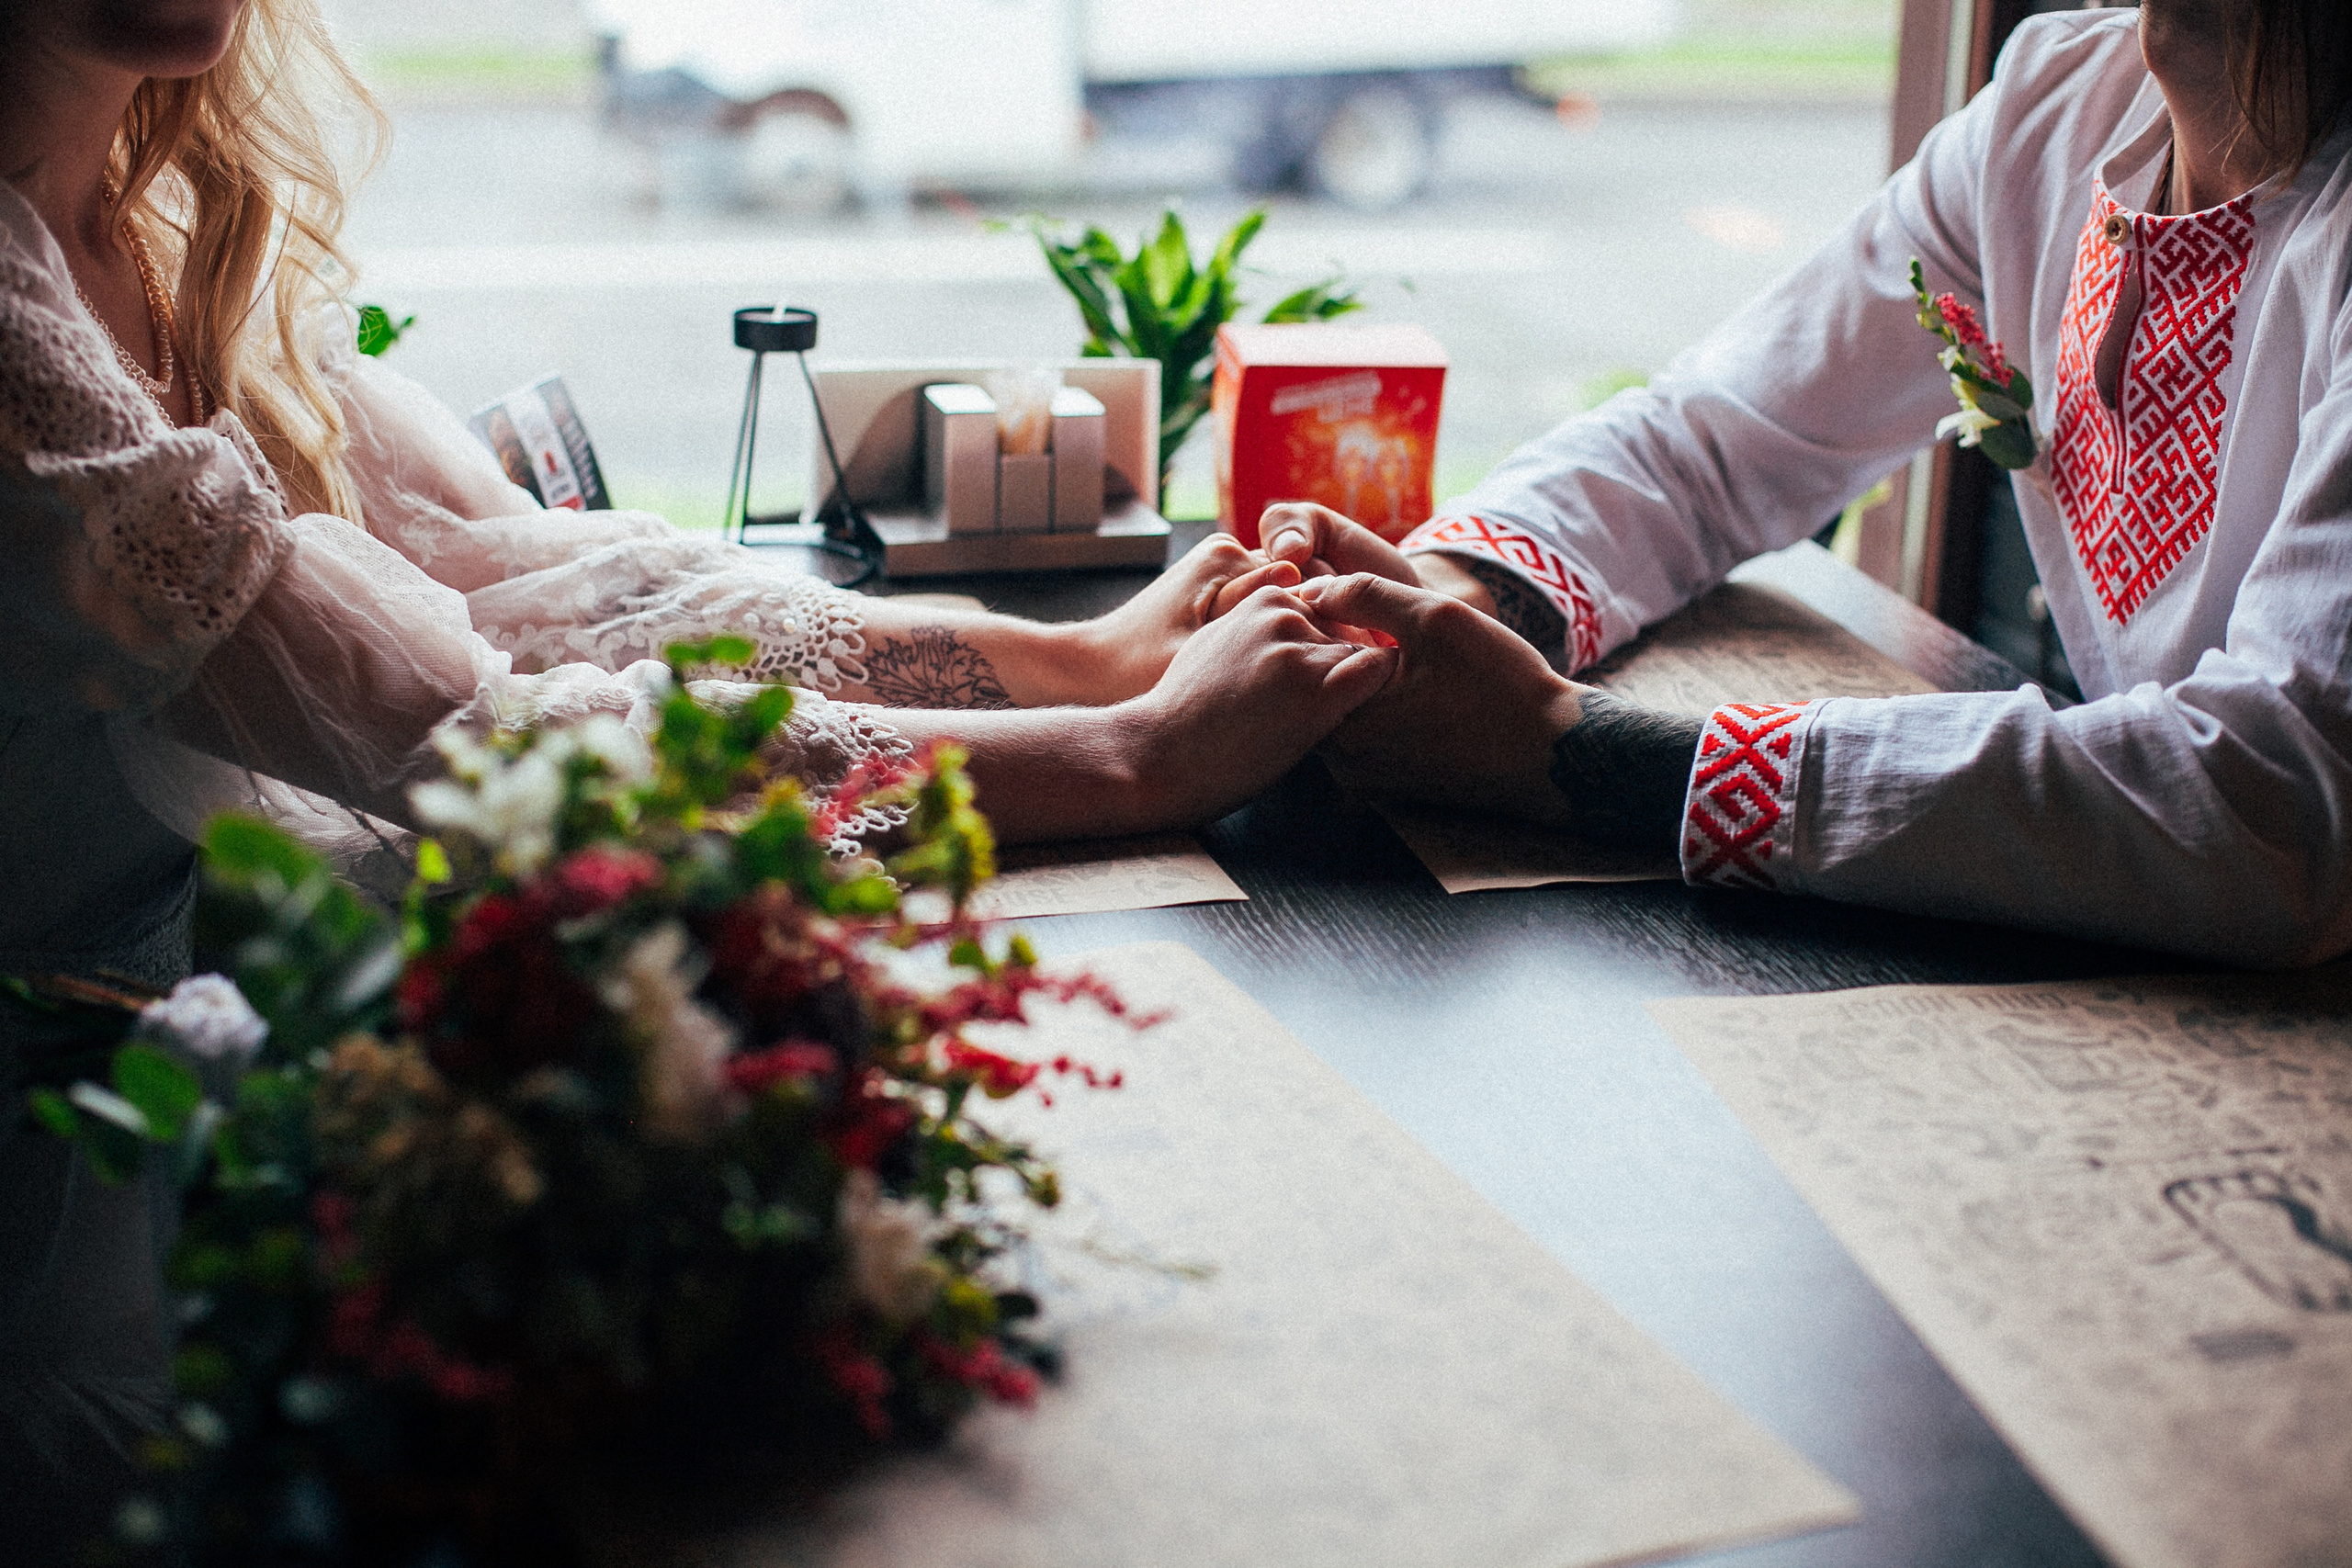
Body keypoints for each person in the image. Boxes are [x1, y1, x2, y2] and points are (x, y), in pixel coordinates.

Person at [0, 0, 1395, 1540]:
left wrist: (1076, 657)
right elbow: (493, 743)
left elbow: (527, 570)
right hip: (99, 1223)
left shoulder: (170, 213)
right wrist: (1126, 757)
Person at [1264, 0, 2352, 970]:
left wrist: (1572, 756)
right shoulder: (2055, 107)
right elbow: (1721, 437)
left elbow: (2274, 804)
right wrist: (1456, 596)